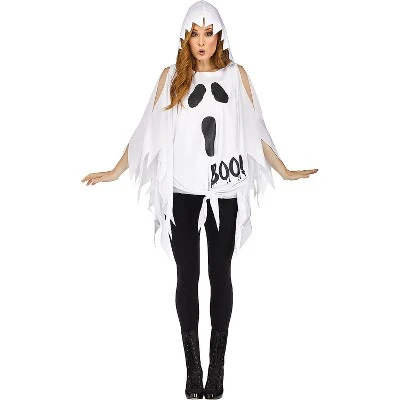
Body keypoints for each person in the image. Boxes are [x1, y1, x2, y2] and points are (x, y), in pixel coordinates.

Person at [81, 1, 318, 398]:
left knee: (220, 275)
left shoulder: (236, 76)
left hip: (224, 191)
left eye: (209, 33)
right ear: (185, 38)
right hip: (182, 193)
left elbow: (256, 130)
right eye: (195, 34)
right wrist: (115, 171)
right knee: (187, 276)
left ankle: (217, 367)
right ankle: (193, 367)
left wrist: (284, 170)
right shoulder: (171, 77)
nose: (202, 41)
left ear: (219, 36)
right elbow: (146, 131)